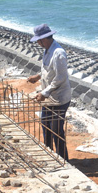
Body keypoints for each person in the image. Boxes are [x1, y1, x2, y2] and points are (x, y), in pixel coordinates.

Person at [27, 24, 72, 161]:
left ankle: (63, 160)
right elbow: (48, 70)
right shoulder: (47, 50)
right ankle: (49, 154)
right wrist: (38, 76)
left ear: (44, 39)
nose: (38, 43)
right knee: (45, 126)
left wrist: (44, 93)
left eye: (38, 41)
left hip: (59, 99)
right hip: (49, 97)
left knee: (56, 131)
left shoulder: (58, 53)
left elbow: (60, 77)